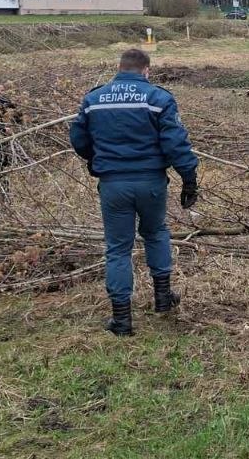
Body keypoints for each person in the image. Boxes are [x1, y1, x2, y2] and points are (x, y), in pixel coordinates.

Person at [70, 48, 199, 336]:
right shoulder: (158, 98)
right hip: (151, 181)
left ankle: (122, 319)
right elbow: (175, 143)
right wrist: (189, 178)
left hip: (113, 183)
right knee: (155, 233)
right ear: (146, 71)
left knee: (118, 248)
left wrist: (97, 160)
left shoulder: (94, 99)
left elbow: (78, 139)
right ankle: (163, 299)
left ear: (120, 68)